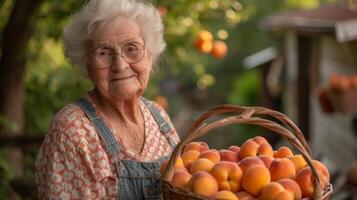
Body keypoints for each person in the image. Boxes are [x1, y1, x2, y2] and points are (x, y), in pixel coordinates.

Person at [35, 0, 180, 199]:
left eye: (132, 48)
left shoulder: (158, 116)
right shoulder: (72, 129)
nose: (120, 65)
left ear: (150, 55)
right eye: (103, 53)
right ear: (87, 65)